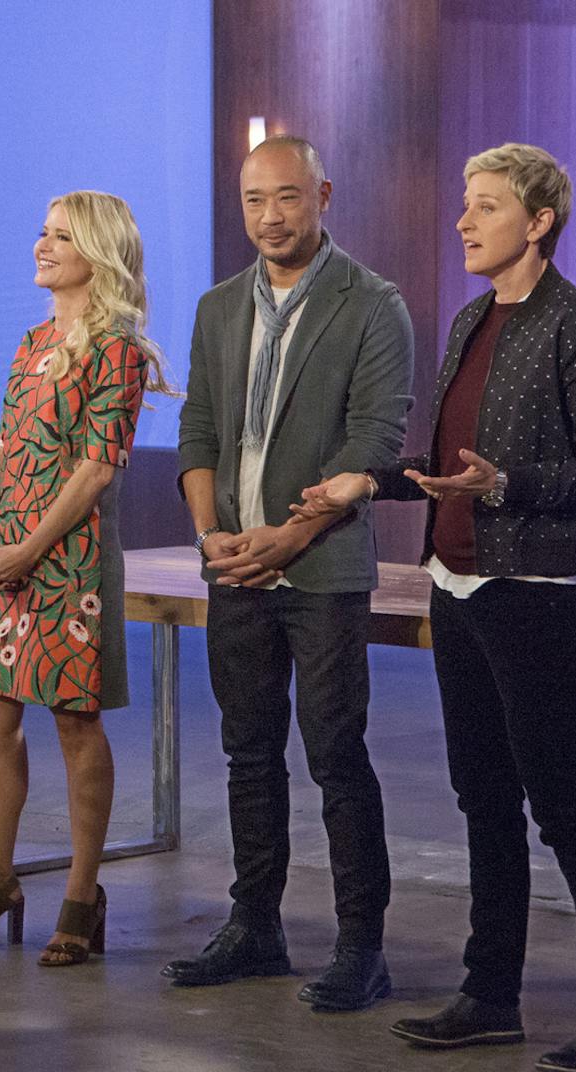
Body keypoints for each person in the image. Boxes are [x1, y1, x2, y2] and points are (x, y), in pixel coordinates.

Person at [295, 142, 576, 1072]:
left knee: (563, 803)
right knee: (483, 799)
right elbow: (445, 466)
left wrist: (508, 485)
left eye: (486, 207)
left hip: (534, 594)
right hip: (455, 586)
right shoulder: (469, 321)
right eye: (466, 204)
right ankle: (490, 996)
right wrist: (362, 484)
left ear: (537, 223)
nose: (464, 220)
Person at [163, 136, 412, 1012]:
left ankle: (361, 946)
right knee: (247, 753)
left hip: (324, 568)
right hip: (232, 567)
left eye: (288, 199)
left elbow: (374, 443)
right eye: (254, 200)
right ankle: (255, 927)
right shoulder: (218, 307)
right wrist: (212, 538)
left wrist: (285, 538)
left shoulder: (372, 304)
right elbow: (196, 433)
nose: (270, 218)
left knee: (337, 755)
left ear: (323, 195)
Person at [0, 190, 174, 968]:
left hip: (67, 562)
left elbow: (97, 470)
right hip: (7, 554)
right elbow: (6, 449)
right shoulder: (32, 340)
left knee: (75, 723)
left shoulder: (120, 350)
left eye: (60, 236)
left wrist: (29, 549)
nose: (41, 246)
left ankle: (81, 897)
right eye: (41, 231)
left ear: (97, 252)